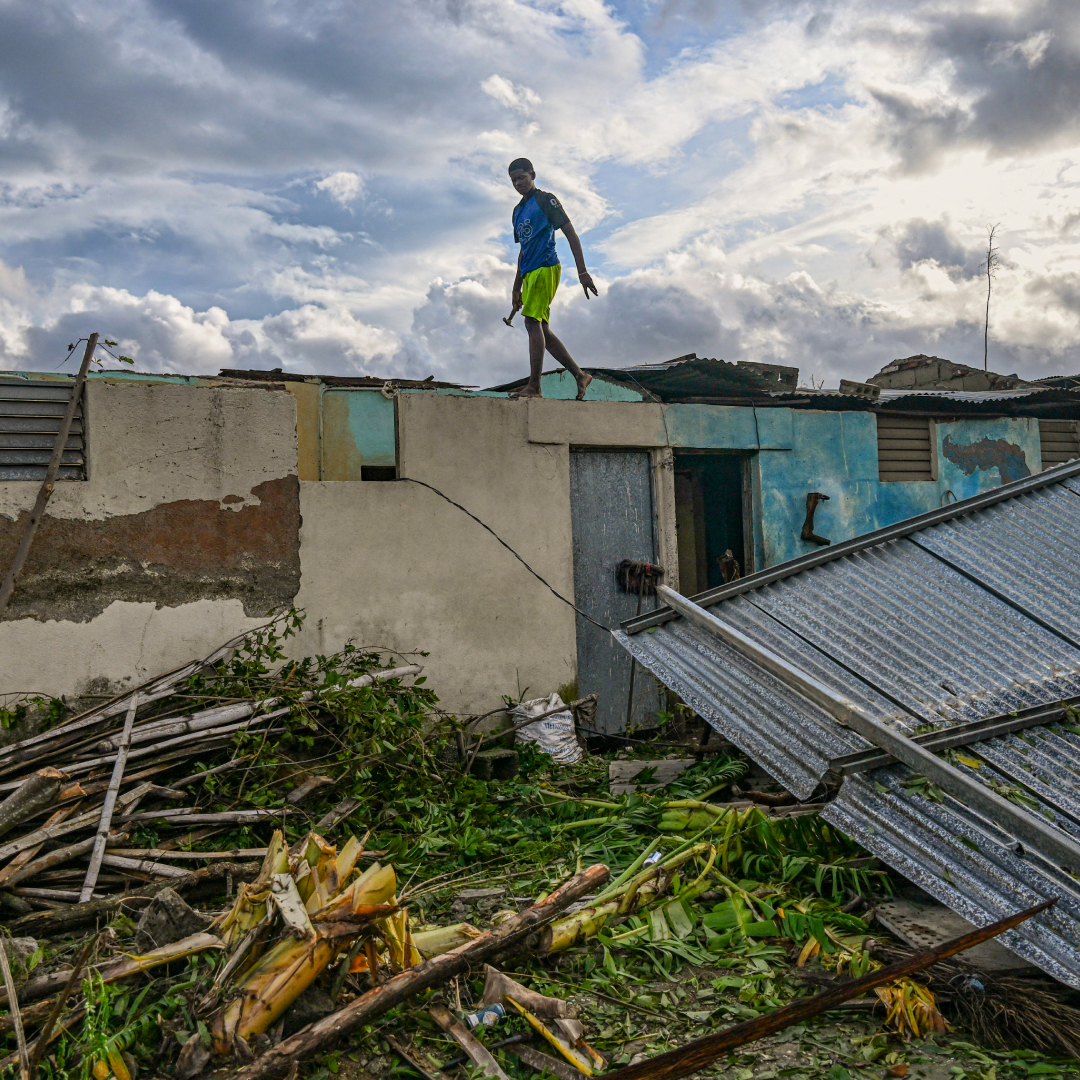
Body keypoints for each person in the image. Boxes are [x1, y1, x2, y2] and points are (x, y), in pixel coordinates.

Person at [508, 158, 597, 399]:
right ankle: (580, 375)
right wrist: (516, 289)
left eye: (521, 178)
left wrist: (582, 272)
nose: (518, 183)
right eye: (514, 180)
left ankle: (534, 387)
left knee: (531, 323)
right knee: (542, 329)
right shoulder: (517, 212)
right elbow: (522, 251)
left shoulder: (545, 200)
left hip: (546, 268)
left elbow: (570, 233)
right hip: (529, 273)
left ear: (532, 174)